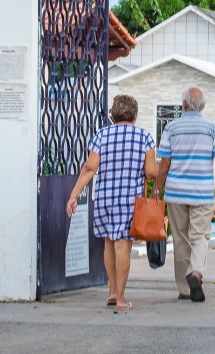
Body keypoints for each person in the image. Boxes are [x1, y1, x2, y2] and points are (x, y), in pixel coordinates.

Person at [66, 94, 157, 312]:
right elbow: (151, 172)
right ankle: (122, 299)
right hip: (129, 200)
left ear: (113, 115)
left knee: (109, 243)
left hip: (105, 197)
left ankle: (112, 291)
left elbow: (89, 168)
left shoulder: (101, 135)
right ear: (134, 115)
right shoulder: (144, 137)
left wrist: (73, 195)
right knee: (122, 244)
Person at [154, 86, 215, 303]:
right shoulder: (212, 128)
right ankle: (196, 272)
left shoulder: (171, 128)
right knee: (200, 237)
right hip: (202, 194)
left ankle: (184, 288)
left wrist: (156, 191)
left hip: (176, 194)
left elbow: (164, 164)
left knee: (180, 239)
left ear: (184, 105)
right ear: (203, 106)